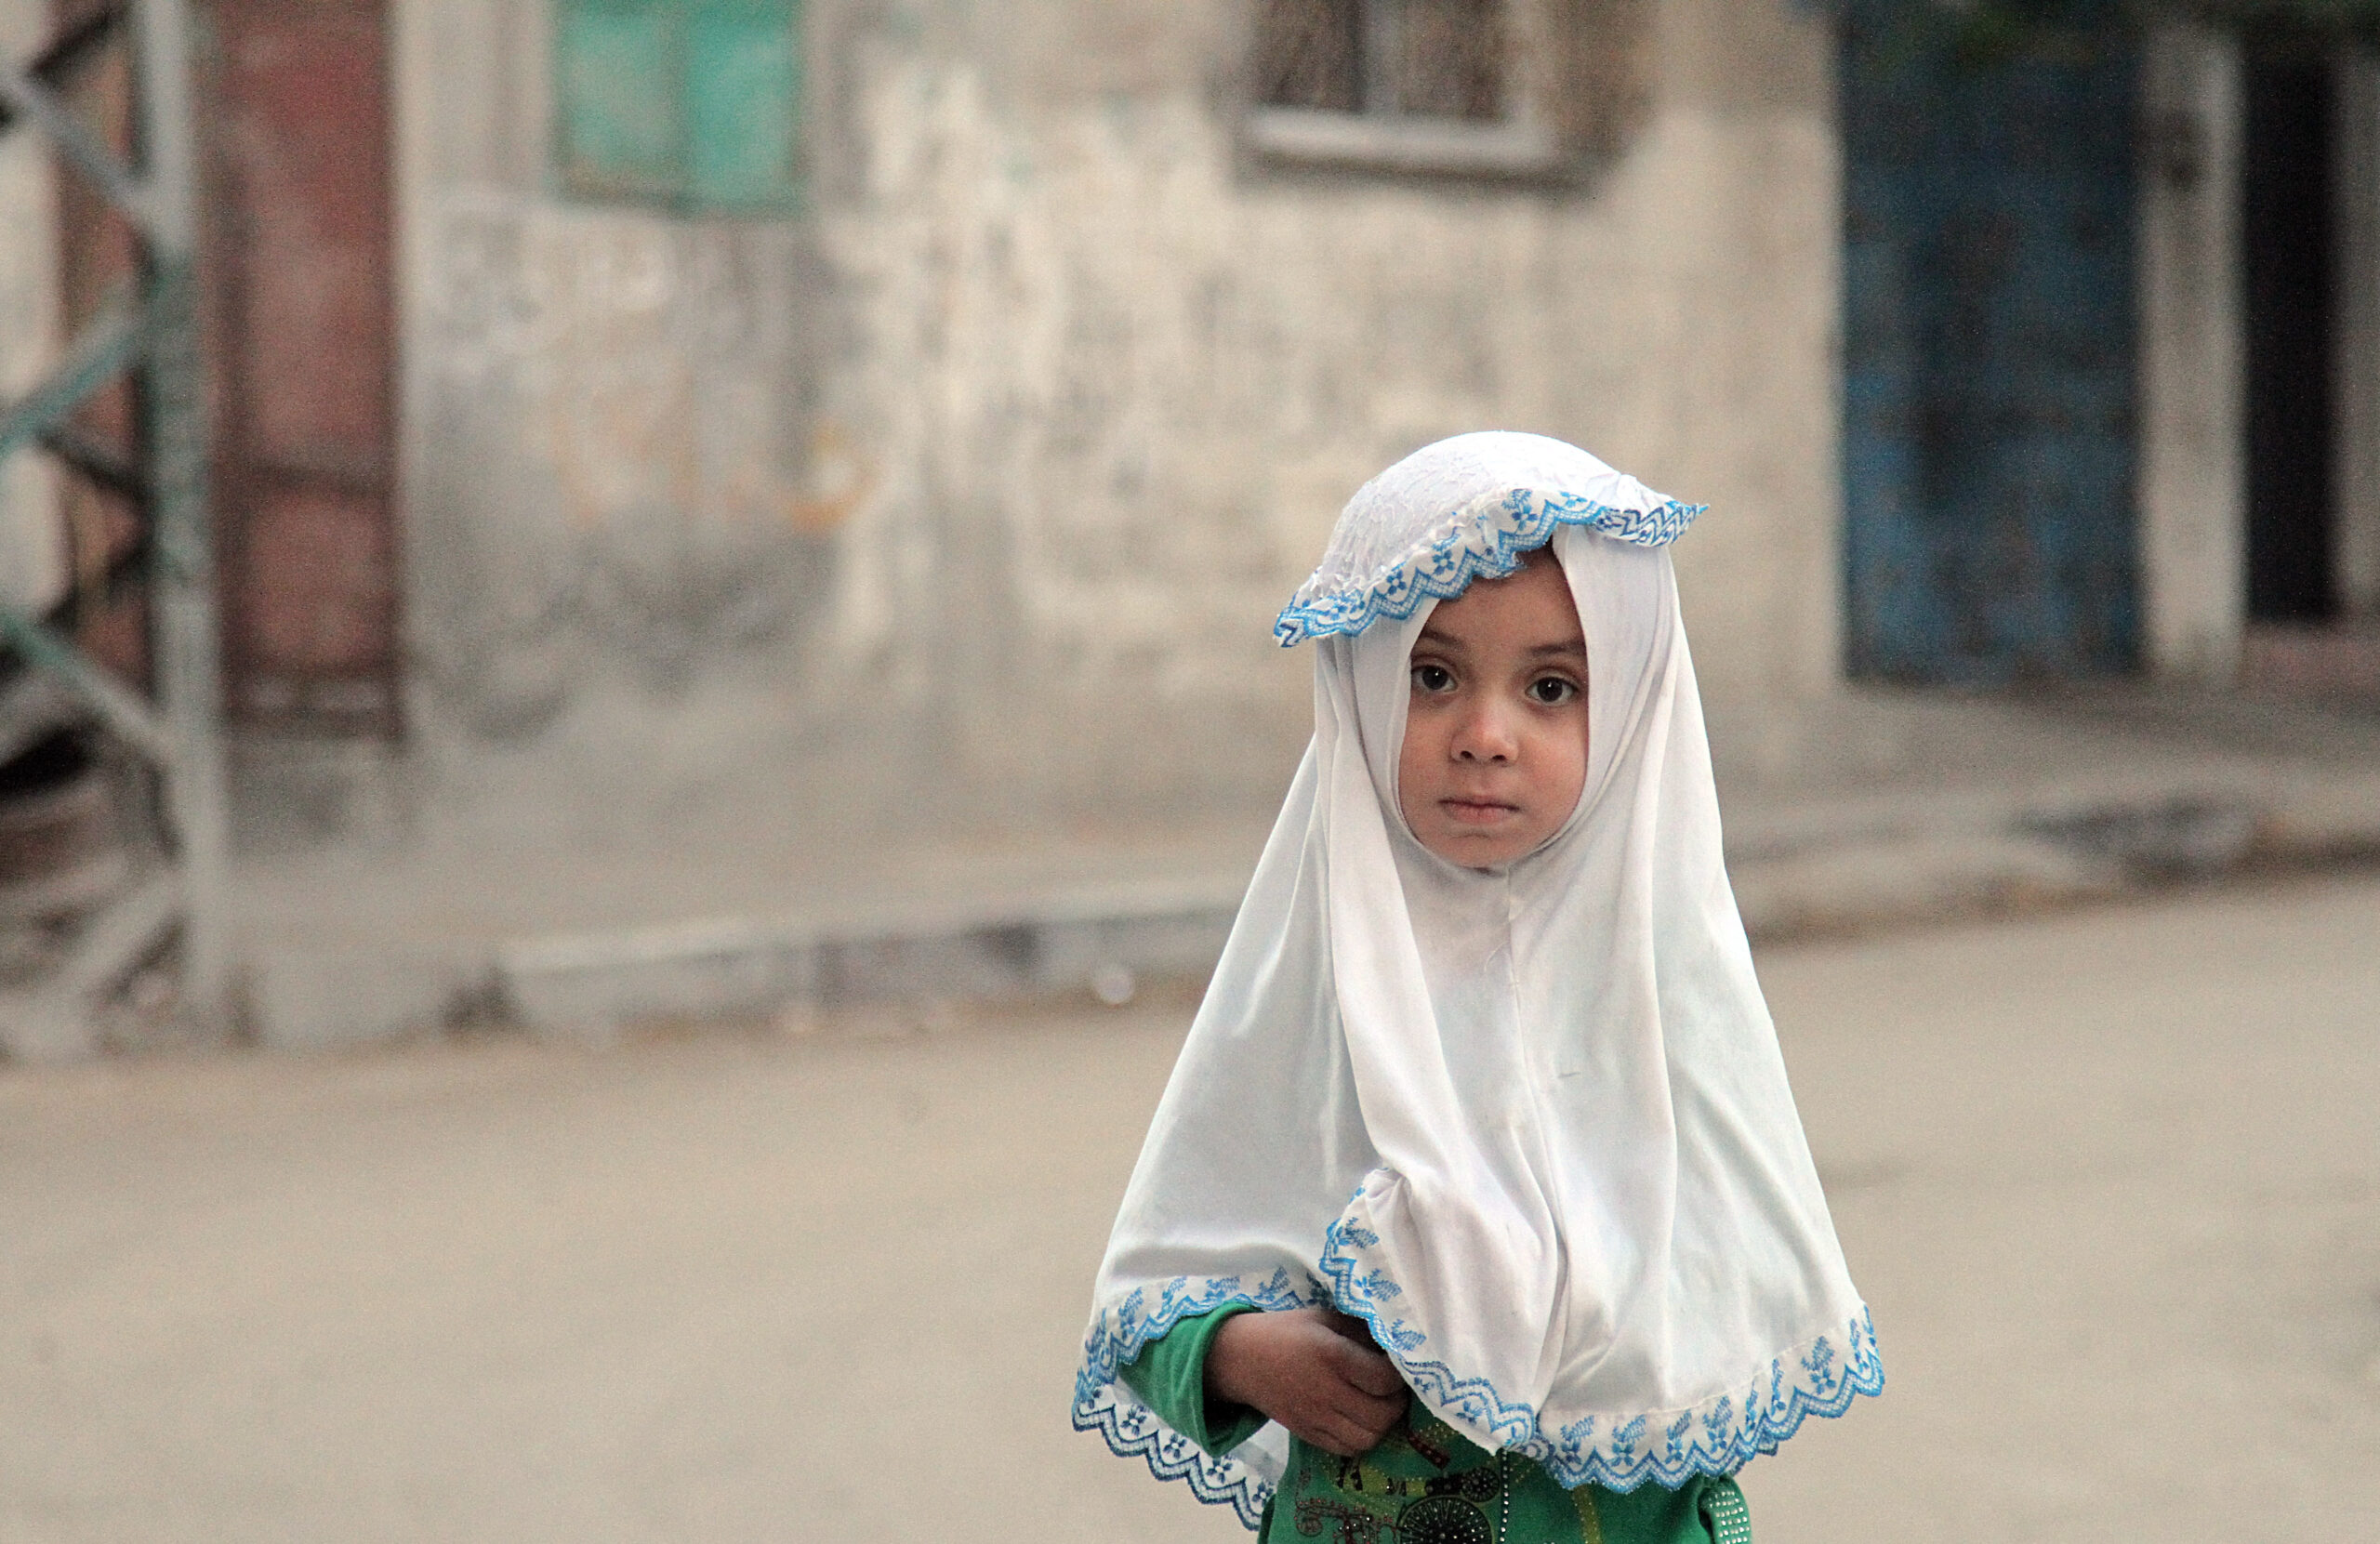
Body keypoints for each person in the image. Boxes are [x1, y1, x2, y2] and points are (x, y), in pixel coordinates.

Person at [1073, 432, 1881, 1541]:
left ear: (1635, 707)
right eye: (1433, 675)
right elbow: (1150, 1291)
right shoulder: (1313, 972)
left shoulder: (1667, 992)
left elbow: (1737, 1303)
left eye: (1552, 686)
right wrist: (1239, 1356)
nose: (1485, 737)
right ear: (1358, 681)